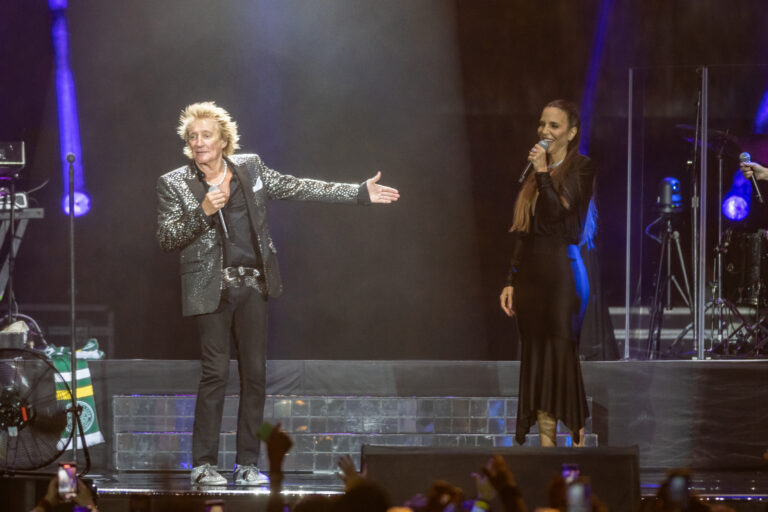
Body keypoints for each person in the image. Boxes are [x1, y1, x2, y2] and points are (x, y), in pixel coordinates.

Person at [156, 102, 399, 486]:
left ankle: (248, 464)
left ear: (223, 140)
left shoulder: (250, 168)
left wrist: (358, 193)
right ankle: (204, 465)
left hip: (253, 284)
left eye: (206, 135)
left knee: (255, 376)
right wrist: (203, 208)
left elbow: (299, 186)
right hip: (210, 289)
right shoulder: (174, 182)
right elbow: (167, 238)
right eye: (192, 137)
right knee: (215, 374)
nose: (198, 143)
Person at [499, 100, 595, 447]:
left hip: (562, 277)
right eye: (542, 124)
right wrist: (510, 280)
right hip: (532, 279)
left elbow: (559, 220)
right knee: (536, 358)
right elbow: (523, 232)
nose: (545, 132)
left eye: (554, 126)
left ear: (570, 133)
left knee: (560, 356)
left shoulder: (581, 168)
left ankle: (580, 449)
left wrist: (542, 173)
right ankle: (546, 450)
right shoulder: (532, 179)